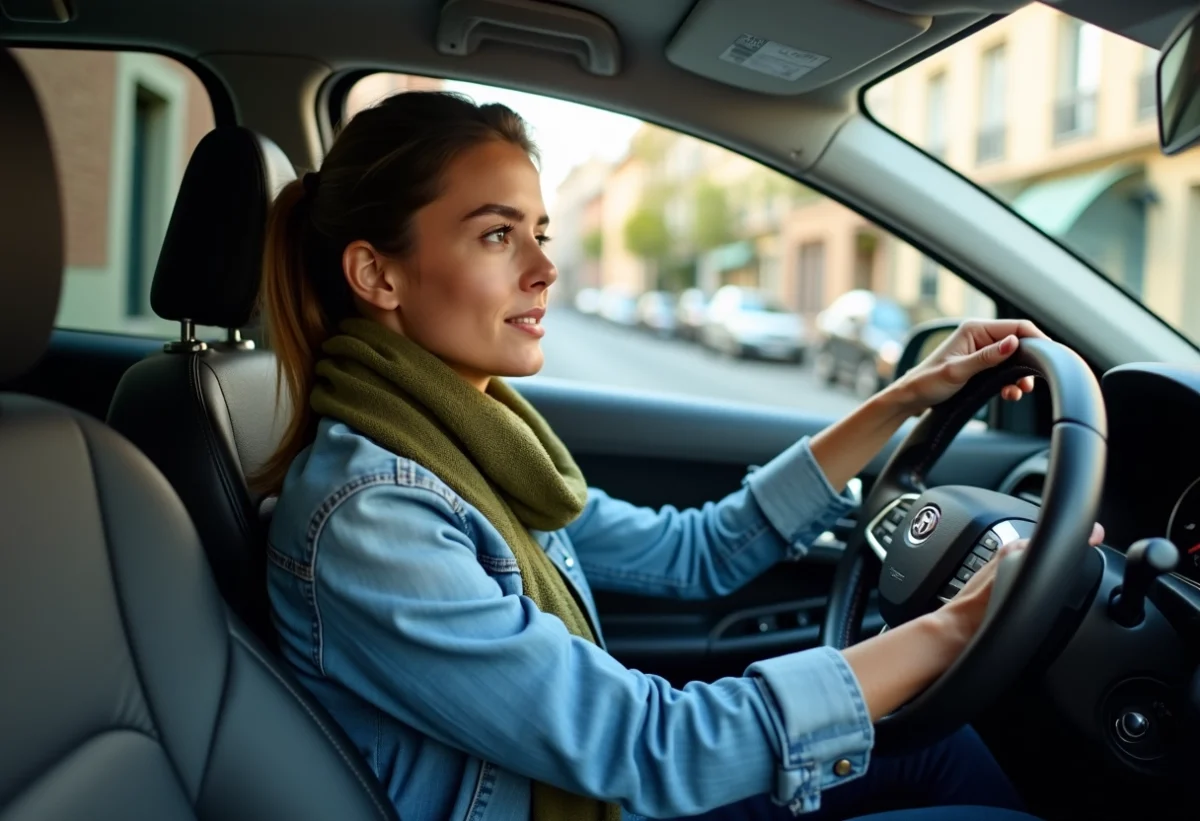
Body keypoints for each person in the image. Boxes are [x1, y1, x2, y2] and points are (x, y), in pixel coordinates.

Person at [256, 91, 1102, 821]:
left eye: (542, 231)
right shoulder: (376, 512)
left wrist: (904, 396)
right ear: (378, 274)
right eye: (496, 235)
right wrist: (959, 624)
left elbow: (693, 553)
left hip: (597, 794)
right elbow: (643, 744)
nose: (546, 267)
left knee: (939, 750)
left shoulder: (468, 450)